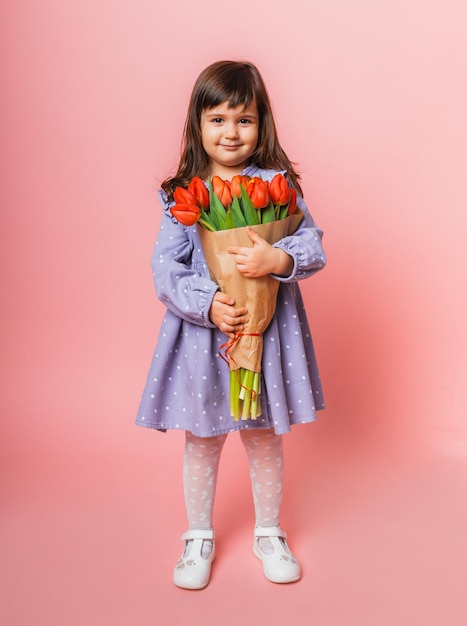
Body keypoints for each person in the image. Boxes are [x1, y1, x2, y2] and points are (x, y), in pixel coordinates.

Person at [136, 60, 326, 589]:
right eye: (218, 119)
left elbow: (312, 243)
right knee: (203, 436)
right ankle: (198, 535)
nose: (231, 132)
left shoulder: (278, 185)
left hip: (266, 335)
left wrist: (279, 260)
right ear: (197, 124)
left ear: (262, 124)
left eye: (244, 120)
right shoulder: (184, 194)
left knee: (264, 435)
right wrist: (209, 302)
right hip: (207, 337)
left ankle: (268, 530)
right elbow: (164, 269)